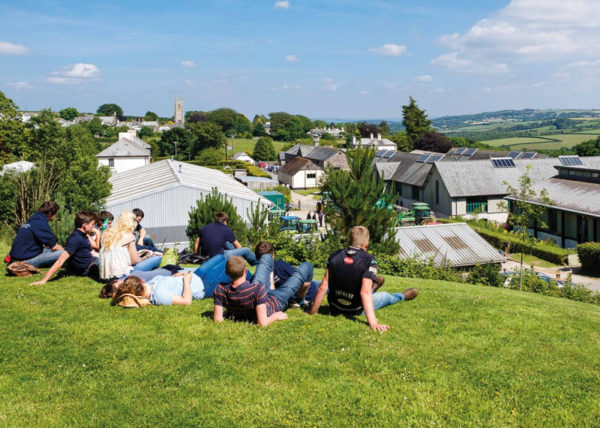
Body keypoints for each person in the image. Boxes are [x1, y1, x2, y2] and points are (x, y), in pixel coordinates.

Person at [308, 226, 418, 332]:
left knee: (325, 282)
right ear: (366, 244)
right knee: (385, 296)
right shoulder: (369, 260)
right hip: (355, 309)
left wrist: (312, 312)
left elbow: (323, 287)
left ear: (350, 241)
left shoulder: (335, 255)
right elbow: (364, 292)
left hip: (335, 307)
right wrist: (373, 323)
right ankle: (401, 296)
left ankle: (373, 284)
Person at [213, 251, 312, 327]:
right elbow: (262, 323)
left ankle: (273, 285)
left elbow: (217, 320)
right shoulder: (257, 289)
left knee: (267, 256)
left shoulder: (220, 289)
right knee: (307, 266)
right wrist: (275, 316)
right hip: (275, 301)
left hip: (256, 294)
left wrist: (229, 313)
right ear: (245, 271)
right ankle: (300, 300)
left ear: (227, 272)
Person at [31, 211, 99, 285]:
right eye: (92, 224)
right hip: (88, 268)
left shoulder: (83, 235)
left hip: (93, 262)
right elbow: (60, 260)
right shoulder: (76, 239)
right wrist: (44, 280)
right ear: (85, 225)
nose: (94, 227)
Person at [99, 210, 162, 280]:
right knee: (157, 259)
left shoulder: (108, 235)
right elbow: (134, 261)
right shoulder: (129, 236)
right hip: (121, 275)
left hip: (106, 276)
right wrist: (146, 257)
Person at [9, 201, 64, 268]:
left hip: (16, 257)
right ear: (50, 214)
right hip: (24, 261)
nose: (55, 216)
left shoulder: (33, 218)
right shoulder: (41, 223)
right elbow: (54, 246)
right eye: (55, 214)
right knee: (64, 252)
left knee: (48, 250)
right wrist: (66, 251)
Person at [110, 271, 199, 306]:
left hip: (190, 275)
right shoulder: (158, 295)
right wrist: (186, 281)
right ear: (141, 282)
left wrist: (174, 277)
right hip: (201, 284)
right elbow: (187, 302)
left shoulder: (150, 285)